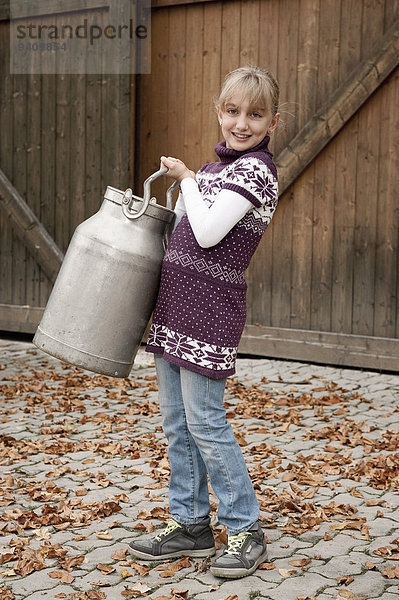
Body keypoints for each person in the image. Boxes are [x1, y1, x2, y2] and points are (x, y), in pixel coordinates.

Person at [128, 65, 280, 579]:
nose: (242, 123)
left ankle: (245, 528)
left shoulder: (255, 172)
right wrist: (187, 186)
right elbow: (186, 228)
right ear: (220, 112)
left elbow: (212, 233)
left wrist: (187, 180)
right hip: (177, 308)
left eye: (254, 115)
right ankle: (190, 524)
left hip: (210, 312)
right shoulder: (216, 172)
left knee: (207, 425)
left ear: (272, 122)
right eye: (233, 111)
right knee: (178, 425)